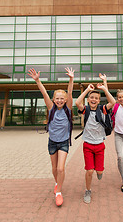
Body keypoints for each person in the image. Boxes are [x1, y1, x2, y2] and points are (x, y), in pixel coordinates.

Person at [27, 67, 74, 207]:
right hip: (52, 142)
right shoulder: (51, 108)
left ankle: (59, 192)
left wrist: (71, 79)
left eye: (62, 99)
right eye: (57, 99)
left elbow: (70, 92)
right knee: (54, 169)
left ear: (65, 100)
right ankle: (57, 183)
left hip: (64, 142)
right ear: (54, 100)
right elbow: (43, 93)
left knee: (61, 168)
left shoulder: (68, 109)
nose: (59, 101)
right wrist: (37, 81)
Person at [75, 74, 116, 204]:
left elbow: (113, 102)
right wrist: (87, 90)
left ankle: (100, 171)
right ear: (88, 100)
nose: (93, 99)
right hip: (87, 144)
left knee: (99, 170)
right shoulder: (85, 109)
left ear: (99, 101)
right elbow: (77, 102)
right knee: (89, 171)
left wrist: (104, 88)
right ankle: (88, 190)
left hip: (100, 145)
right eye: (91, 98)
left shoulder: (102, 109)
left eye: (96, 98)